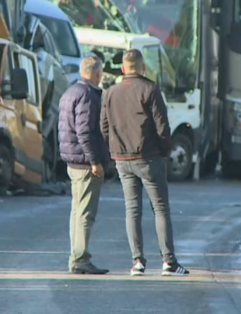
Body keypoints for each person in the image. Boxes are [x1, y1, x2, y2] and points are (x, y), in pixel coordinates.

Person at [101, 49, 190, 276]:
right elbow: (162, 126)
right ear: (143, 68)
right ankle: (169, 262)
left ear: (123, 69)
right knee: (160, 208)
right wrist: (164, 152)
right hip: (148, 156)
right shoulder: (150, 89)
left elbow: (104, 126)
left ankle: (137, 262)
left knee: (132, 209)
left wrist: (114, 149)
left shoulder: (110, 93)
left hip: (122, 158)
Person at [58, 56, 109, 275]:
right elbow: (85, 132)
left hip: (73, 161)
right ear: (97, 74)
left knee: (77, 211)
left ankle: (76, 256)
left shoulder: (71, 92)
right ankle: (80, 258)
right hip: (85, 163)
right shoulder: (88, 95)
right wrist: (95, 161)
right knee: (85, 213)